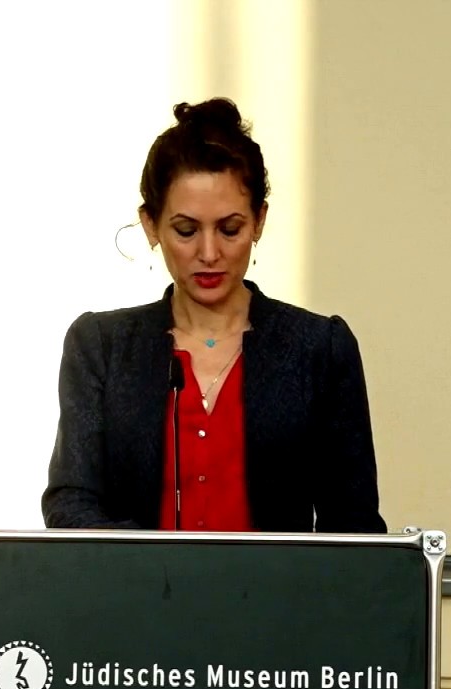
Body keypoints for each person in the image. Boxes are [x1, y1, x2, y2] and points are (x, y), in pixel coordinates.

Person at [43, 98, 385, 534]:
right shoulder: (101, 347)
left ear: (259, 221)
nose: (209, 254)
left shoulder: (319, 349)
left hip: (278, 600)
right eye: (186, 231)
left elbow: (354, 525)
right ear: (151, 226)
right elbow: (70, 506)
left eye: (230, 229)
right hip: (135, 599)